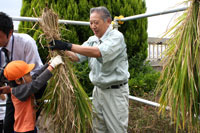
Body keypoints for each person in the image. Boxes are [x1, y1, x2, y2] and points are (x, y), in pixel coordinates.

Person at [49, 6, 130, 133]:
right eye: (91, 23)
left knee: (117, 130)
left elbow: (98, 52)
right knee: (98, 128)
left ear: (108, 21)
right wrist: (61, 49)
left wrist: (68, 46)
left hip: (115, 93)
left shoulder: (116, 37)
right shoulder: (93, 40)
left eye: (96, 22)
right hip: (98, 91)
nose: (93, 26)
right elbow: (76, 57)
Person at [0, 12, 44, 133]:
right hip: (13, 90)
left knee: (27, 124)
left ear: (10, 33)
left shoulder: (26, 42)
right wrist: (9, 89)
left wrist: (50, 67)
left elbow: (36, 72)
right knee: (8, 126)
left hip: (31, 89)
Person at [1, 55, 63, 133]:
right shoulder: (19, 91)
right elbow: (36, 84)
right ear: (18, 81)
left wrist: (48, 64)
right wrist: (52, 66)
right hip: (24, 130)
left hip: (30, 128)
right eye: (27, 74)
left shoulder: (22, 86)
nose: (30, 76)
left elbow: (36, 76)